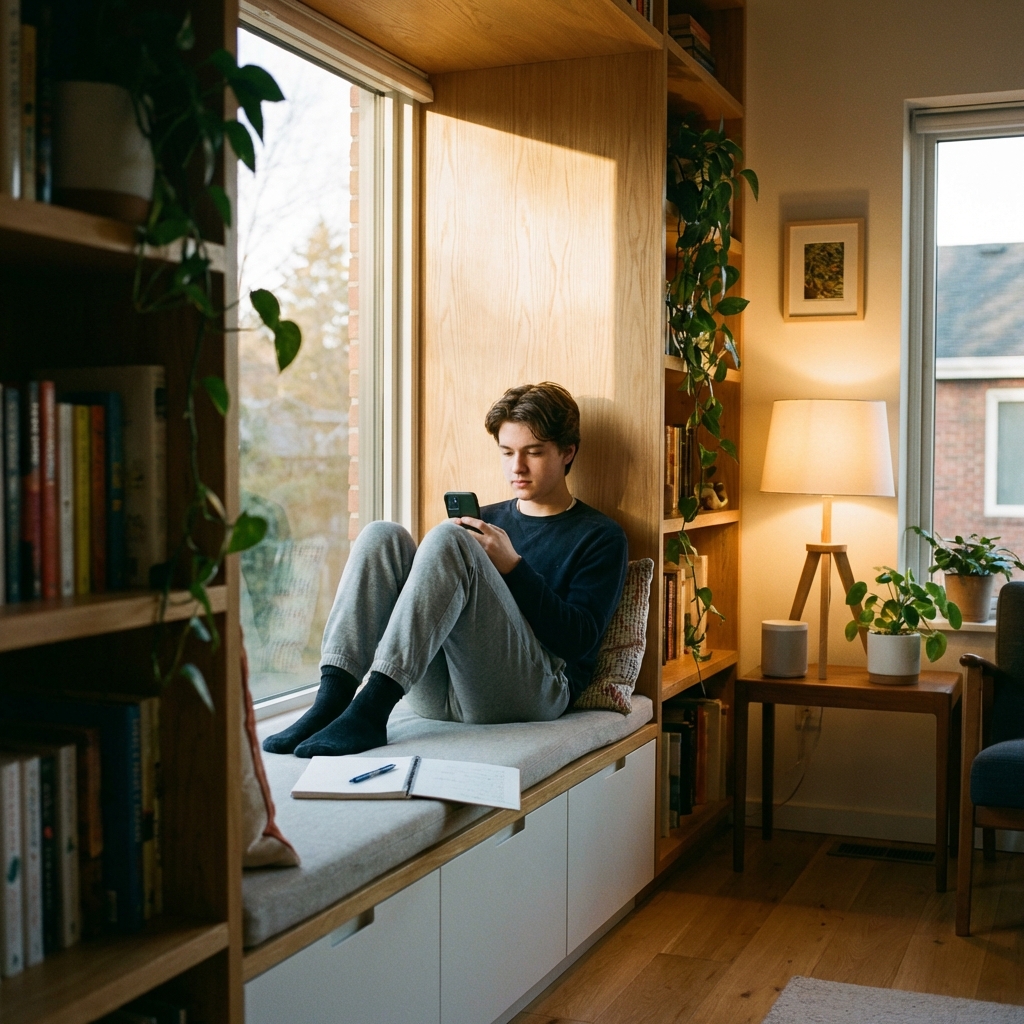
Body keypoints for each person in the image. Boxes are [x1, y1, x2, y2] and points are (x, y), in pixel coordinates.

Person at [263, 382, 628, 758]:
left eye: (533, 453)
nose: (517, 467)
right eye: (507, 452)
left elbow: (579, 640)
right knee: (382, 535)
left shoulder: (600, 535)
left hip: (537, 691)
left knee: (449, 538)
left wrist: (513, 568)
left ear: (567, 452)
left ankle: (371, 709)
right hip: (444, 690)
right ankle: (331, 701)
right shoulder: (485, 519)